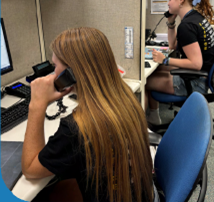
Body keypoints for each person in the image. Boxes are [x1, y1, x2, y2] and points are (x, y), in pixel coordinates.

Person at [22, 27, 159, 202]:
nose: (53, 73)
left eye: (55, 66)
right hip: (143, 193)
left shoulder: (78, 126)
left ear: (70, 74)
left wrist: (37, 105)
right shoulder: (125, 97)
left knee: (43, 195)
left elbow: (30, 169)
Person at [145, 0, 214, 125]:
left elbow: (196, 63)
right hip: (201, 75)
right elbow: (173, 45)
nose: (168, 4)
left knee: (145, 82)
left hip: (195, 81)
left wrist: (165, 60)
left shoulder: (187, 26)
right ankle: (153, 117)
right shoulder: (195, 18)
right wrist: (171, 23)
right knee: (155, 70)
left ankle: (150, 121)